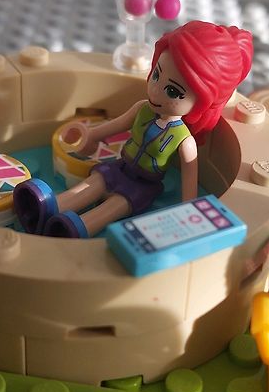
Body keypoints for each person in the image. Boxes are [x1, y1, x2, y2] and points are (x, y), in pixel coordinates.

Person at [13, 21, 253, 238]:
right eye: (156, 75)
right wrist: (92, 135)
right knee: (93, 184)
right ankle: (51, 206)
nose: (156, 91)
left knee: (115, 206)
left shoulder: (184, 140)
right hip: (120, 167)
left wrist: (187, 212)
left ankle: (78, 228)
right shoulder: (142, 109)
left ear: (202, 104)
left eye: (172, 91)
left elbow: (189, 185)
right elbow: (116, 124)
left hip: (143, 186)